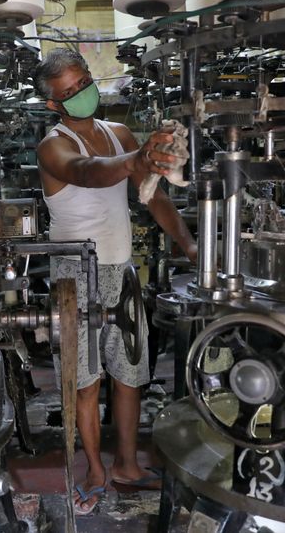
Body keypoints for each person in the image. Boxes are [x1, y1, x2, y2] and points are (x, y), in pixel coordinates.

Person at [34, 48, 197, 515]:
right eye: (69, 92)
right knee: (86, 382)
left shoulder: (118, 133)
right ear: (53, 104)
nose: (83, 94)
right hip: (74, 272)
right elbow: (87, 173)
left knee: (129, 375)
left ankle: (125, 463)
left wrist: (190, 246)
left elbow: (155, 197)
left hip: (120, 268)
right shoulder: (54, 144)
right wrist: (136, 159)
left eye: (84, 83)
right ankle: (94, 468)